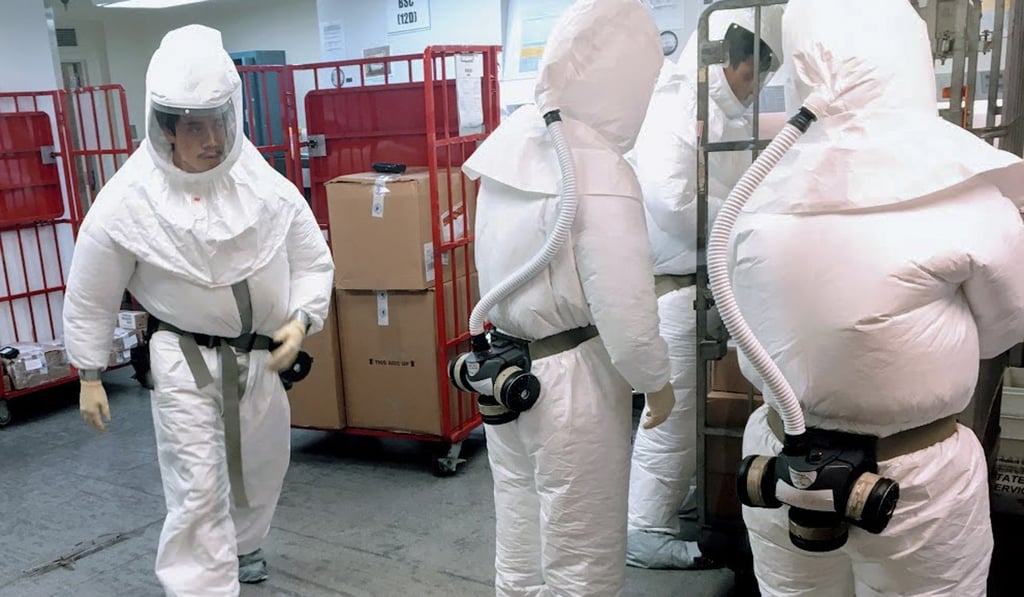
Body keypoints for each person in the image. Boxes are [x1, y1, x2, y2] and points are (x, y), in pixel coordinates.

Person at [727, 0, 1024, 594]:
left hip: (782, 468)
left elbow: (750, 332)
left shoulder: (753, 198)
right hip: (915, 480)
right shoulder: (966, 197)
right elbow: (1004, 328)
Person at [62, 24, 334, 596]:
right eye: (193, 126)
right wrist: (88, 373)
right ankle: (201, 586)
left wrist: (301, 318)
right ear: (165, 129)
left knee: (261, 466)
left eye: (218, 122)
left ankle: (244, 544)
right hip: (182, 357)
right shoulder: (128, 199)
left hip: (261, 359)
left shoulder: (260, 182)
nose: (211, 139)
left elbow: (313, 259)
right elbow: (91, 291)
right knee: (198, 482)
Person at [460, 0, 676, 594]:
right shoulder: (597, 168)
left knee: (522, 539)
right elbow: (625, 308)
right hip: (571, 378)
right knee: (581, 551)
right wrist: (655, 381)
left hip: (506, 371)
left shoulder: (510, 144)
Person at [626, 6, 784, 570]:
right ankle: (644, 531)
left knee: (689, 419)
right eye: (751, 75)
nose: (754, 87)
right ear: (726, 60)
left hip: (707, 281)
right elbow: (670, 201)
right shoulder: (674, 106)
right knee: (670, 417)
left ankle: (683, 496)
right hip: (676, 288)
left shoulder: (724, 115)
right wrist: (743, 217)